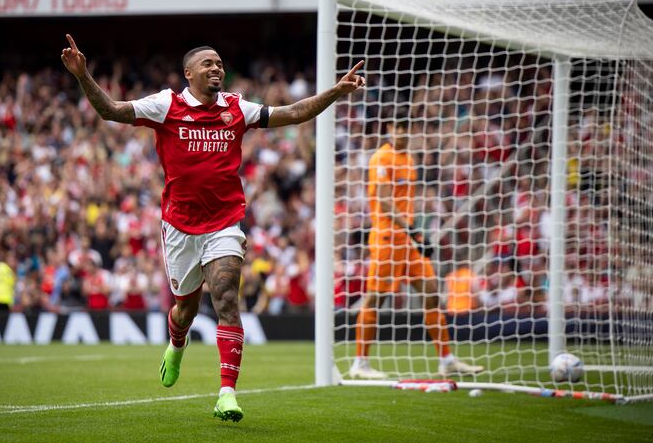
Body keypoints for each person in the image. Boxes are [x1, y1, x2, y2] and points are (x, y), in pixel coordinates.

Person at [61, 34, 365, 422]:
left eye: (220, 63)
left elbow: (291, 112)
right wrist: (83, 75)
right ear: (189, 73)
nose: (217, 68)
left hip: (224, 221)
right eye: (208, 63)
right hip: (180, 225)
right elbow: (111, 111)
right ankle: (176, 343)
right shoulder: (166, 105)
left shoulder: (236, 108)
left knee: (225, 298)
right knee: (184, 310)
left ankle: (227, 394)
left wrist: (335, 92)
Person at [350, 119, 484, 379]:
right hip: (388, 239)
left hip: (408, 240)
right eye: (395, 128)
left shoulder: (409, 160)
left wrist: (414, 234)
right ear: (388, 130)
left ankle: (446, 360)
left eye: (404, 128)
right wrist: (414, 231)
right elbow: (386, 203)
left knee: (432, 293)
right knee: (375, 299)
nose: (400, 133)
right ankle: (360, 363)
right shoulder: (381, 159)